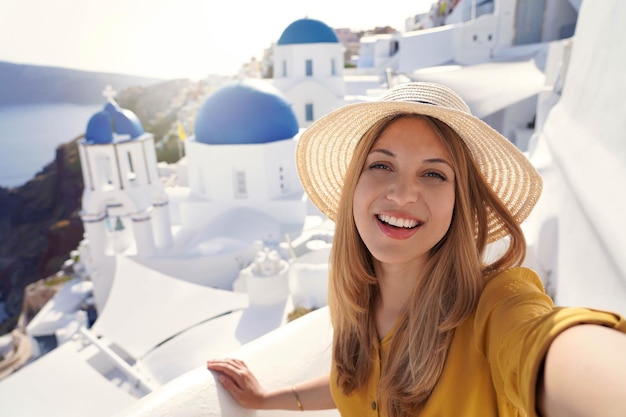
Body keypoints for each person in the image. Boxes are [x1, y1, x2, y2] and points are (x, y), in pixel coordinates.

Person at [207, 82, 626, 417]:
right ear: (355, 185)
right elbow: (356, 385)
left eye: (433, 174)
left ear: (459, 203)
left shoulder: (496, 308)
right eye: (382, 165)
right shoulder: (357, 305)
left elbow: (548, 346)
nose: (403, 193)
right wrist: (267, 399)